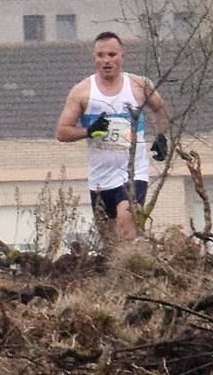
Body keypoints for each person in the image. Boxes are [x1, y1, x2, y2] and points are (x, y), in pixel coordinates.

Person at [53, 32, 169, 245]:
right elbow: (62, 132)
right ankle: (123, 275)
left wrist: (161, 137)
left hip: (134, 172)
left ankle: (134, 269)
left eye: (112, 54)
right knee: (110, 243)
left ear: (122, 56)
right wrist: (88, 131)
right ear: (94, 58)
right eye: (100, 55)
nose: (106, 60)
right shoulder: (82, 92)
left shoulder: (138, 85)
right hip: (100, 178)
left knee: (127, 225)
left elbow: (159, 108)